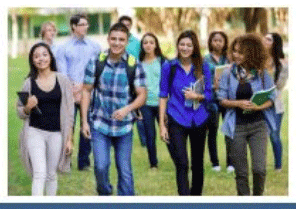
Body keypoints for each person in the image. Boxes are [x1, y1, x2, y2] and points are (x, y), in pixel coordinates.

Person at [80, 22, 147, 196]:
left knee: (124, 170)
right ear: (108, 39)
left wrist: (127, 109)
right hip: (100, 124)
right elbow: (86, 91)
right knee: (100, 167)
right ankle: (105, 194)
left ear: (127, 42)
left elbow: (142, 95)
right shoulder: (96, 62)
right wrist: (84, 122)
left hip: (124, 126)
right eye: (114, 39)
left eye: (121, 40)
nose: (117, 43)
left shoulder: (134, 64)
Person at [217, 34, 276, 196]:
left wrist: (258, 106)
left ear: (251, 53)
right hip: (236, 127)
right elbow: (221, 99)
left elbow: (271, 98)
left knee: (259, 169)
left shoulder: (262, 74)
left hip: (258, 126)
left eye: (240, 52)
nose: (236, 55)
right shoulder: (228, 74)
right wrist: (238, 103)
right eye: (234, 51)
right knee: (241, 173)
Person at [159, 30, 212, 195]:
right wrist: (162, 125)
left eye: (189, 45)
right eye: (182, 44)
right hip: (176, 118)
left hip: (199, 119)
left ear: (194, 47)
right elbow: (163, 95)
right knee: (181, 162)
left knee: (197, 163)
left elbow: (210, 94)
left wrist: (197, 96)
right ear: (177, 45)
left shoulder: (204, 67)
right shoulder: (169, 66)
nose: (185, 48)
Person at [17, 42, 75, 196]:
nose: (41, 59)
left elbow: (70, 112)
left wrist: (69, 139)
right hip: (34, 132)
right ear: (32, 61)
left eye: (44, 54)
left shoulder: (62, 80)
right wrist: (28, 107)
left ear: (50, 57)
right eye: (36, 56)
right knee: (39, 174)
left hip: (56, 134)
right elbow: (20, 111)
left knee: (51, 174)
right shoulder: (28, 83)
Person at [56, 14, 101, 171]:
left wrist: (85, 88)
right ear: (73, 26)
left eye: (87, 24)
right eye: (82, 24)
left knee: (86, 125)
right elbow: (62, 72)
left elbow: (98, 69)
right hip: (69, 93)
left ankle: (84, 162)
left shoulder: (95, 47)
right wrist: (72, 88)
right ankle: (65, 162)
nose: (85, 27)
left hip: (88, 92)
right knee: (68, 126)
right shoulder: (63, 48)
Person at [203, 31, 230, 172]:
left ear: (225, 42)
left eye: (221, 40)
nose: (218, 43)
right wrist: (213, 85)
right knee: (212, 131)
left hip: (228, 98)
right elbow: (201, 80)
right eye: (215, 40)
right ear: (210, 42)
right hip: (212, 99)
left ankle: (231, 163)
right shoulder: (205, 59)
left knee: (229, 130)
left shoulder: (229, 59)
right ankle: (215, 163)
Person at [139, 32, 166, 169]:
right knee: (150, 135)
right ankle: (153, 164)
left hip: (162, 103)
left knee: (170, 133)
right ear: (142, 46)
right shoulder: (139, 64)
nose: (148, 45)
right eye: (145, 42)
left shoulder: (163, 61)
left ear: (156, 45)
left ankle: (178, 159)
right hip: (146, 105)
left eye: (151, 42)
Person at [118, 15, 147, 147]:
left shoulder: (136, 42)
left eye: (128, 24)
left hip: (135, 80)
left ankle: (144, 142)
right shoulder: (116, 41)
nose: (126, 27)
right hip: (120, 80)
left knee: (139, 111)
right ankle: (119, 137)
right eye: (123, 24)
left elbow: (142, 59)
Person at [263, 32, 288, 171]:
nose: (264, 41)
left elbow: (279, 86)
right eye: (264, 38)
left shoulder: (282, 64)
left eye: (268, 39)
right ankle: (260, 164)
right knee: (260, 135)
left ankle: (278, 166)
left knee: (274, 135)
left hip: (274, 105)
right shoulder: (258, 59)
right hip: (258, 103)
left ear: (275, 43)